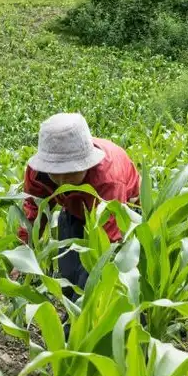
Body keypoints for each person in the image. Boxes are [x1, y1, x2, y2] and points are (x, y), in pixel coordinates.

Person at [17, 113, 140, 302]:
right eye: (56, 172)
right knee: (68, 275)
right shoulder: (38, 173)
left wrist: (80, 308)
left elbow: (105, 247)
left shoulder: (108, 180)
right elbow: (34, 212)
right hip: (75, 209)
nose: (62, 180)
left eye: (71, 171)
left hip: (124, 216)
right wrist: (21, 254)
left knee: (95, 282)